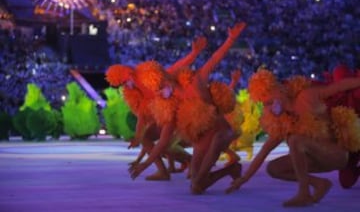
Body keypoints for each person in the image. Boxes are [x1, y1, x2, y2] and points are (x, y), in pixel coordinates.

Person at [128, 22, 246, 194]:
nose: (160, 92)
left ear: (166, 79)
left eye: (161, 87)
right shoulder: (172, 106)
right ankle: (231, 170)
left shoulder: (196, 81)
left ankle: (228, 170)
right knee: (197, 187)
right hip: (201, 140)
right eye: (157, 90)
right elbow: (162, 142)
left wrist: (231, 39)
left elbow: (214, 59)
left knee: (199, 181)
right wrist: (145, 164)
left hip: (220, 132)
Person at [226, 68, 360, 207]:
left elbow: (338, 86)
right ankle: (319, 184)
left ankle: (304, 193)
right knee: (274, 168)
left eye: (271, 101)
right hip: (315, 160)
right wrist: (244, 178)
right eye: (266, 104)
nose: (270, 107)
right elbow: (263, 152)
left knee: (295, 139)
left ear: (279, 90)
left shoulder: (307, 96)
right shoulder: (283, 122)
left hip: (336, 154)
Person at [106, 36, 207, 180]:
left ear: (127, 76)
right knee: (148, 138)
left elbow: (176, 68)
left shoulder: (155, 83)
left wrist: (194, 54)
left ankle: (191, 162)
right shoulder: (136, 92)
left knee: (166, 145)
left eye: (123, 82)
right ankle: (165, 170)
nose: (124, 86)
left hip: (178, 118)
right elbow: (142, 115)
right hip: (163, 117)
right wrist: (138, 137)